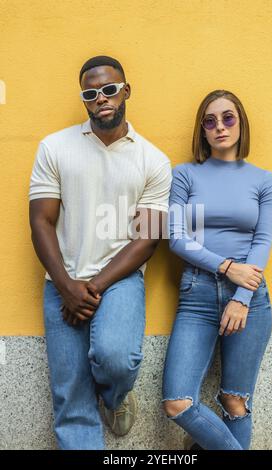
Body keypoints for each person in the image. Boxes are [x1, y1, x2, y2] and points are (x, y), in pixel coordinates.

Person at [29, 55, 172, 450]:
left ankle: (114, 398)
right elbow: (40, 221)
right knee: (71, 397)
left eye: (109, 89)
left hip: (119, 279)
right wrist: (66, 284)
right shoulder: (54, 147)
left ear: (126, 91)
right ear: (85, 100)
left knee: (116, 358)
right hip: (61, 278)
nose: (101, 98)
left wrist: (89, 287)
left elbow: (148, 238)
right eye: (91, 93)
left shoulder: (153, 160)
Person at [162, 90, 272, 450]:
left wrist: (242, 296)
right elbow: (177, 239)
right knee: (177, 403)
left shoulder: (264, 180)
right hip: (197, 294)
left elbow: (262, 241)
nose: (220, 127)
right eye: (210, 121)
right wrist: (228, 267)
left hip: (250, 299)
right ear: (203, 130)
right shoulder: (184, 175)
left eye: (228, 118)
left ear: (240, 122)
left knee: (235, 402)